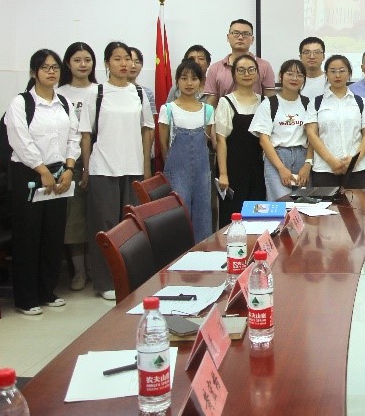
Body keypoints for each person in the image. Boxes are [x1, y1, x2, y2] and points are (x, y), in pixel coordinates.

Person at [5, 49, 80, 315]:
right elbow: (20, 140)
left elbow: (73, 137)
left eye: (55, 67)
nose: (51, 72)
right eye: (45, 67)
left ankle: (47, 291)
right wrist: (41, 170)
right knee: (29, 236)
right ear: (33, 72)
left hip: (60, 173)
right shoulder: (21, 103)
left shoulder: (64, 103)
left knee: (52, 234)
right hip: (29, 174)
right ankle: (26, 298)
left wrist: (69, 168)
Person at [79, 41, 154, 301]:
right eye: (117, 58)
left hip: (132, 167)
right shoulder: (96, 92)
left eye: (128, 59)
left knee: (130, 225)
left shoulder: (139, 93)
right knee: (105, 226)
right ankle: (105, 281)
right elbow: (86, 134)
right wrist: (86, 169)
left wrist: (146, 168)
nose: (124, 64)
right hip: (103, 167)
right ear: (107, 63)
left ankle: (129, 277)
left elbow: (147, 130)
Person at [158, 59, 215, 242]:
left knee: (203, 213)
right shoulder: (168, 109)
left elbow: (207, 140)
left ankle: (203, 252)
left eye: (194, 78)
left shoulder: (208, 110)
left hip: (202, 172)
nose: (189, 83)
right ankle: (178, 254)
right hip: (176, 172)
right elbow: (163, 144)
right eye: (184, 78)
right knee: (179, 214)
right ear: (177, 81)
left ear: (201, 82)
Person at [56, 41, 97, 292]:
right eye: (77, 60)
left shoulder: (100, 91)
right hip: (70, 162)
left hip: (98, 159)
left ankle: (96, 269)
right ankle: (79, 271)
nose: (83, 65)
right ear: (68, 64)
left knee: (96, 217)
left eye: (87, 60)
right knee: (74, 220)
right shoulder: (60, 93)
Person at [304, 54, 365, 188]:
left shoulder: (360, 102)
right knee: (326, 202)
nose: (337, 75)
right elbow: (311, 134)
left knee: (359, 203)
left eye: (342, 71)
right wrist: (331, 161)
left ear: (349, 73)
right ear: (326, 74)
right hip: (325, 169)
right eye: (333, 71)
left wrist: (354, 161)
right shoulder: (316, 103)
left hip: (357, 169)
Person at [250, 59, 314, 201]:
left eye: (299, 75)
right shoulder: (269, 104)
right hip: (277, 157)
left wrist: (307, 165)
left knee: (304, 204)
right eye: (290, 74)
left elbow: (313, 137)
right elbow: (264, 140)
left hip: (302, 157)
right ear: (281, 76)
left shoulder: (308, 104)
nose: (294, 78)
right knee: (281, 203)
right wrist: (281, 168)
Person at [215, 53, 266, 225]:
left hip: (258, 169)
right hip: (233, 169)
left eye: (251, 70)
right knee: (232, 217)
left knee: (257, 217)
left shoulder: (264, 102)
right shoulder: (226, 102)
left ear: (257, 74)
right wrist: (223, 174)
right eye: (241, 70)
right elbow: (221, 140)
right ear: (234, 74)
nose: (247, 74)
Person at [204, 19, 276, 106]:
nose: (240, 37)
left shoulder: (264, 66)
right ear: (228, 37)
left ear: (252, 39)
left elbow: (270, 101)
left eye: (245, 34)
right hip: (224, 114)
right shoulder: (215, 69)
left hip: (257, 114)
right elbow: (211, 104)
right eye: (236, 33)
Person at [127, 47, 156, 113]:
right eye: (129, 61)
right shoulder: (109, 90)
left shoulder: (146, 92)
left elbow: (151, 118)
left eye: (137, 62)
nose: (133, 65)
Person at [299, 36, 329, 100]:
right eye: (307, 52)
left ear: (323, 56)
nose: (312, 57)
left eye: (317, 52)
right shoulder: (294, 81)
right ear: (300, 57)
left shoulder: (331, 80)